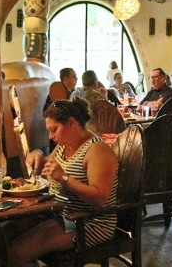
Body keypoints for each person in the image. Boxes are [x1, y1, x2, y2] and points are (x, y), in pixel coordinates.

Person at [10, 98, 118, 266]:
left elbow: (100, 198)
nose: (50, 136)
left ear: (71, 122)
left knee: (16, 253)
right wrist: (38, 156)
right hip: (59, 214)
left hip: (87, 222)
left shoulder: (97, 150)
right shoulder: (65, 145)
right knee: (3, 236)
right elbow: (47, 169)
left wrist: (64, 178)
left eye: (54, 130)